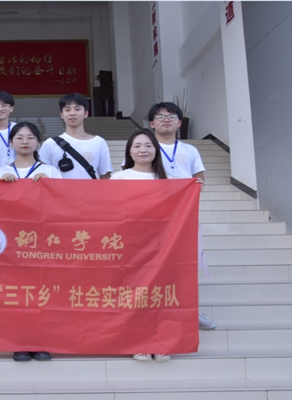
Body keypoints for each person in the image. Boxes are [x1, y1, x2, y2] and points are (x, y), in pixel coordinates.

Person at [0, 121, 61, 362]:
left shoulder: (50, 171)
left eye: (30, 137)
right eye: (19, 137)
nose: (25, 141)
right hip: (12, 244)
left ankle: (42, 341)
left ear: (38, 142)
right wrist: (0, 187)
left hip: (43, 242)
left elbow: (64, 203)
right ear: (11, 142)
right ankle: (19, 342)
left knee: (43, 292)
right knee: (16, 293)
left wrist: (50, 186)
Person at [147, 101, 216, 331]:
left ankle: (191, 310)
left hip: (184, 216)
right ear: (151, 123)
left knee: (185, 264)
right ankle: (155, 310)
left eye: (171, 116)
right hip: (153, 218)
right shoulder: (145, 147)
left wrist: (191, 190)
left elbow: (199, 179)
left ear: (179, 122)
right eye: (160, 116)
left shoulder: (190, 150)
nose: (166, 120)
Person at [111, 130, 172, 362]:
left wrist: (193, 187)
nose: (143, 150)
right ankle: (138, 341)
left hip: (161, 246)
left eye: (148, 145)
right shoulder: (119, 178)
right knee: (133, 294)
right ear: (129, 151)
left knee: (159, 294)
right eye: (137, 146)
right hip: (129, 245)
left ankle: (161, 341)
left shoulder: (168, 181)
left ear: (156, 150)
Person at [38, 93, 112, 180]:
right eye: (67, 110)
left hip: (89, 189)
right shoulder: (50, 144)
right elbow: (41, 173)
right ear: (61, 114)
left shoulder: (99, 142)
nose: (72, 113)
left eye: (77, 109)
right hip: (60, 189)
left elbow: (105, 176)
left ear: (86, 113)